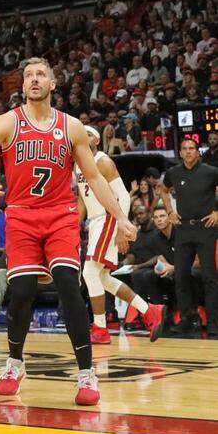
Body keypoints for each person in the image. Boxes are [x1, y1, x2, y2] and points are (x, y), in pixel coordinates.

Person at [0, 58, 137, 406]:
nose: (34, 79)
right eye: (28, 76)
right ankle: (14, 363)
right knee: (22, 289)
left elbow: (96, 178)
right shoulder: (8, 123)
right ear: (22, 86)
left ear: (53, 84)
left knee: (69, 283)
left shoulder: (71, 127)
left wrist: (120, 217)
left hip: (60, 215)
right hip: (22, 216)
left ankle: (87, 373)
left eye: (41, 74)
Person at [76, 126, 164, 344]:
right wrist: (75, 227)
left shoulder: (103, 161)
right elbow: (82, 200)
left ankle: (100, 328)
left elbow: (123, 197)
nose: (81, 136)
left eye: (86, 134)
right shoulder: (78, 164)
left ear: (96, 141)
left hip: (108, 218)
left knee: (90, 273)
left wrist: (121, 230)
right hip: (95, 222)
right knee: (102, 278)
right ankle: (149, 310)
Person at [156, 137, 218, 337]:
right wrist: (169, 211)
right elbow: (163, 189)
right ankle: (187, 319)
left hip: (205, 228)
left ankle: (213, 324)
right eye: (185, 149)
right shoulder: (173, 173)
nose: (189, 152)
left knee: (209, 278)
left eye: (192, 148)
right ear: (180, 153)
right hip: (183, 229)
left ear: (198, 152)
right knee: (181, 277)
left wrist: (217, 211)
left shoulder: (210, 171)